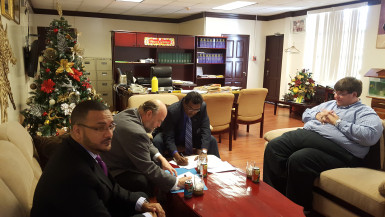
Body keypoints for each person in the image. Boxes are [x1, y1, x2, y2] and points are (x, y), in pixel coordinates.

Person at [263, 77, 383, 213]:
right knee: (298, 158)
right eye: (336, 92)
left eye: (341, 93)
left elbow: (370, 136)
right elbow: (306, 114)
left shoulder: (364, 112)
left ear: (354, 94)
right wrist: (318, 116)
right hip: (321, 145)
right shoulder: (331, 104)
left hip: (344, 152)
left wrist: (338, 122)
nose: (336, 96)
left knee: (279, 145)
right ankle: (283, 203)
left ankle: (290, 210)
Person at [31, 100, 165, 217]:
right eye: (100, 128)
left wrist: (143, 204)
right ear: (77, 131)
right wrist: (148, 216)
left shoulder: (84, 150)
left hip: (97, 205)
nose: (109, 134)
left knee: (143, 197)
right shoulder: (74, 174)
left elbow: (111, 187)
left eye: (111, 126)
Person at [101, 99, 191, 196]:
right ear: (149, 113)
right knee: (144, 180)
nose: (159, 125)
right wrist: (176, 182)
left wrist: (161, 158)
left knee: (157, 161)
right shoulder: (135, 131)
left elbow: (145, 141)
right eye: (159, 121)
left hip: (116, 157)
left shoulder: (132, 113)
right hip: (114, 169)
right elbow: (147, 167)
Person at [153, 91, 220, 166]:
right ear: (184, 103)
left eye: (196, 110)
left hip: (191, 136)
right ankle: (158, 168)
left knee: (212, 140)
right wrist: (176, 156)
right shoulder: (173, 111)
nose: (193, 112)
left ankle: (217, 168)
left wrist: (204, 151)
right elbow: (169, 136)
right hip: (175, 137)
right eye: (190, 109)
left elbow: (205, 128)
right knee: (157, 141)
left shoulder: (202, 107)